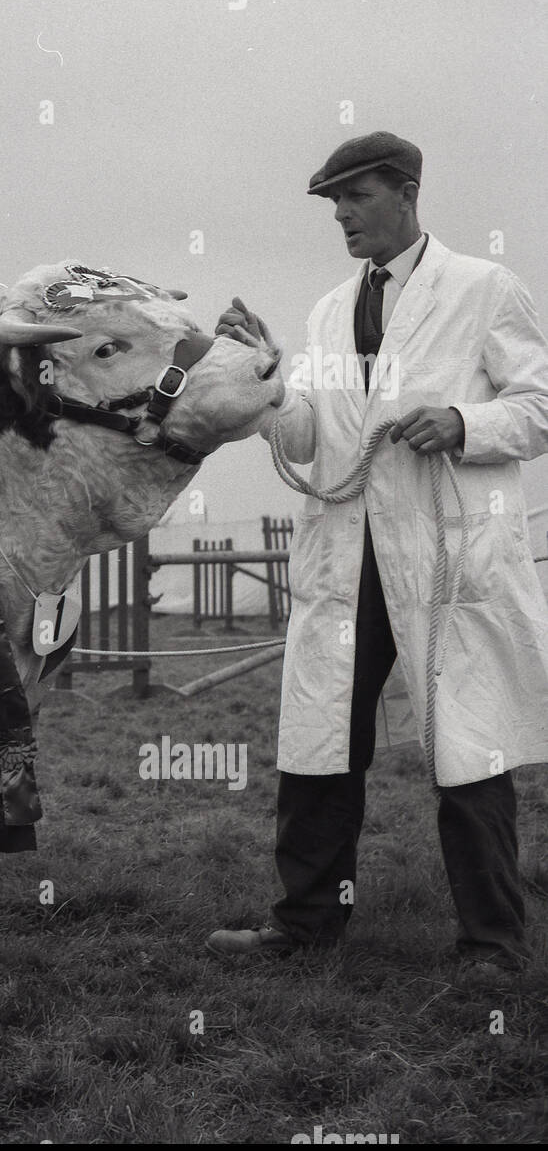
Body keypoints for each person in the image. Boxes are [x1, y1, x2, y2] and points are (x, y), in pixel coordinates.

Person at [209, 131, 548, 977]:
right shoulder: (329, 310)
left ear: (406, 192)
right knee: (320, 738)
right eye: (332, 203)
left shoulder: (483, 288)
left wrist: (465, 424)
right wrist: (267, 380)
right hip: (344, 557)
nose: (342, 216)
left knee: (467, 746)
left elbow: (539, 403)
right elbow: (313, 436)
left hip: (444, 558)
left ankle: (492, 944)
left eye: (355, 197)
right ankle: (305, 923)